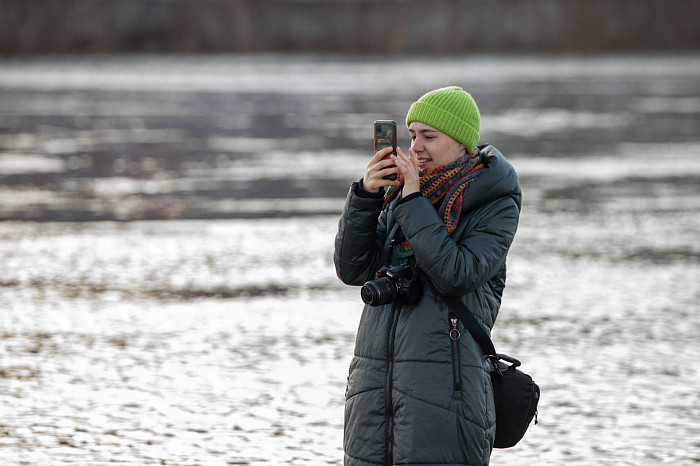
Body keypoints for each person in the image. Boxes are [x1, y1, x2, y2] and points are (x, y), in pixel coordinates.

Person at [334, 86, 521, 466]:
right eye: (413, 135)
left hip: (446, 397)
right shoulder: (400, 197)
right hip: (374, 391)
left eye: (429, 137)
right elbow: (352, 269)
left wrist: (414, 202)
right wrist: (368, 197)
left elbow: (456, 273)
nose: (415, 147)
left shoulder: (495, 202)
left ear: (461, 142)